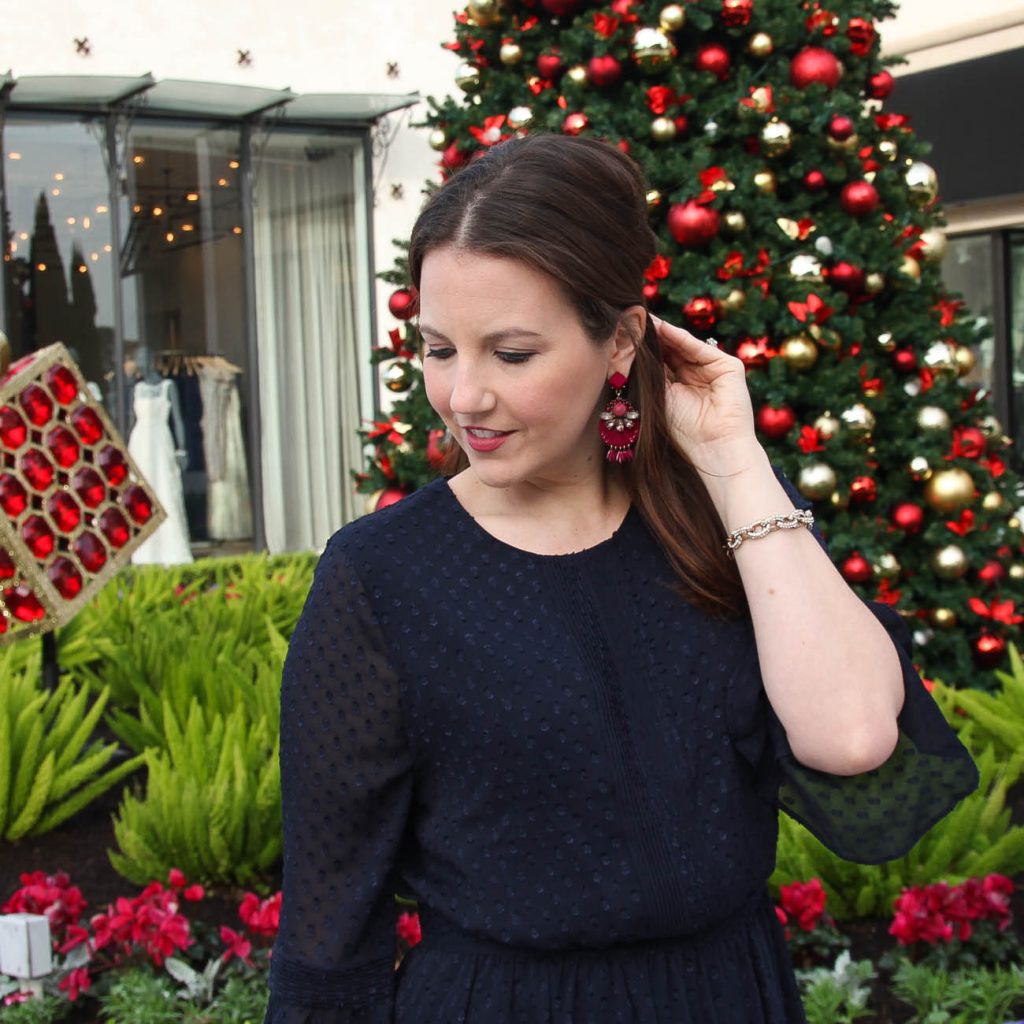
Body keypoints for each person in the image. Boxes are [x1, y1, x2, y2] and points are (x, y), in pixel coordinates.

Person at [264, 133, 977, 1023]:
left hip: (730, 998)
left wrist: (730, 453)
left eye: (512, 353)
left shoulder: (726, 520)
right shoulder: (382, 575)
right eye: (439, 349)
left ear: (621, 340)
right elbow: (329, 931)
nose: (463, 396)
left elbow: (854, 738)